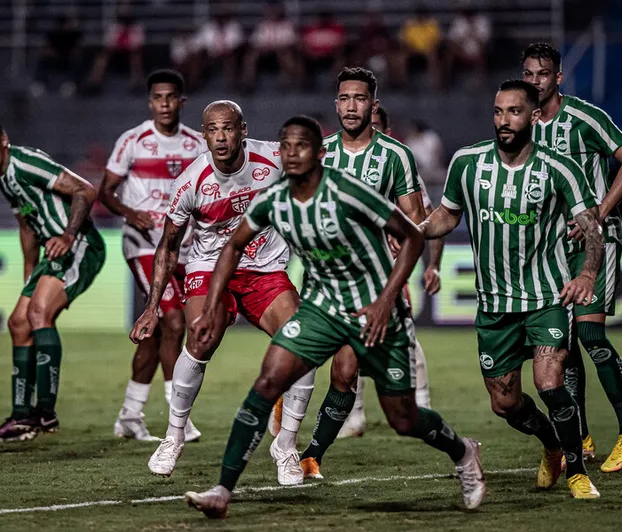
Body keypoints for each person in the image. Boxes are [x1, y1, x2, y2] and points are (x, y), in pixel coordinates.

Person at [183, 116, 485, 519]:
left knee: (402, 417)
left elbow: (412, 235)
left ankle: (463, 452)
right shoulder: (273, 199)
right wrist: (209, 307)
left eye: (301, 146)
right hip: (322, 309)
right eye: (285, 146)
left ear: (320, 154)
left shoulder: (349, 192)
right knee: (268, 381)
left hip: (375, 310)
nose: (291, 154)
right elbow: (232, 248)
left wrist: (385, 300)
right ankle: (223, 489)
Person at [420, 79, 605, 498]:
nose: (504, 120)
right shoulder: (467, 163)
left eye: (514, 112)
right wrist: (413, 231)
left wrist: (588, 274)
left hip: (546, 297)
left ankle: (577, 472)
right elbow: (446, 217)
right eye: (498, 111)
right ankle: (552, 444)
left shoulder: (560, 168)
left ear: (534, 116)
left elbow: (592, 225)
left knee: (550, 381)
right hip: (495, 305)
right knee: (504, 402)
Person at [129, 101, 315, 486]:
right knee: (201, 336)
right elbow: (168, 245)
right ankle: (174, 435)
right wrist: (151, 307)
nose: (220, 137)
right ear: (204, 135)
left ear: (242, 129)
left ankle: (286, 445)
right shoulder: (192, 181)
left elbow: (316, 183)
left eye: (228, 128)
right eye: (212, 130)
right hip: (210, 269)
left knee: (305, 345)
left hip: (263, 268)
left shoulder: (274, 160)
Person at [297, 69, 439, 459]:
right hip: (326, 282)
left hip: (374, 287)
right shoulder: (319, 152)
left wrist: (402, 232)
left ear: (373, 105)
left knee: (390, 407)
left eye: (359, 98)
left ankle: (458, 448)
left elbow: (416, 221)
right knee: (314, 367)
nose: (351, 106)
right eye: (344, 98)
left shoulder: (395, 156)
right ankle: (305, 455)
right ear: (335, 103)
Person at [523, 42, 622, 473]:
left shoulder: (584, 117)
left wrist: (601, 210)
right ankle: (582, 435)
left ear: (558, 78)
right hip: (555, 247)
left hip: (596, 240)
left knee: (592, 338)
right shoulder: (525, 126)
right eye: (528, 73)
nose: (534, 81)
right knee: (564, 344)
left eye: (542, 74)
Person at [0, 117, 105, 442]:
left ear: (3, 140)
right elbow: (27, 226)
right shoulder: (4, 178)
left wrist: (69, 235)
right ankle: (20, 416)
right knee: (18, 323)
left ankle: (45, 412)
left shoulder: (26, 163)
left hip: (80, 246)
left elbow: (85, 190)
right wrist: (30, 272)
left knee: (38, 314)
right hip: (53, 254)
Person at [100, 70, 205, 442]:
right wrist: (131, 214)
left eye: (171, 97)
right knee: (174, 322)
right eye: (158, 97)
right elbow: (106, 191)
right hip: (143, 244)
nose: (164, 103)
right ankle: (180, 417)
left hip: (183, 248)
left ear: (182, 101)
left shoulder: (197, 144)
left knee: (154, 332)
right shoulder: (133, 140)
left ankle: (130, 415)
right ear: (150, 103)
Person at [241, 3, 298, 93]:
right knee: (251, 55)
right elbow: (255, 42)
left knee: (285, 53)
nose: (272, 13)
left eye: (274, 11)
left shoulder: (286, 25)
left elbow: (290, 42)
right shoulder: (262, 25)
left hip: (280, 53)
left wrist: (276, 47)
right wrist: (264, 48)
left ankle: (286, 81)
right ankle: (248, 82)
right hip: (265, 55)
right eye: (270, 11)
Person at [30, 14, 83, 98]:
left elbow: (77, 51)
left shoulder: (75, 35)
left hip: (67, 60)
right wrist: (55, 53)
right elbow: (43, 50)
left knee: (76, 62)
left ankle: (69, 84)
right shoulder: (51, 35)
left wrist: (63, 53)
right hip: (53, 60)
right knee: (43, 61)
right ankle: (39, 83)